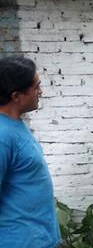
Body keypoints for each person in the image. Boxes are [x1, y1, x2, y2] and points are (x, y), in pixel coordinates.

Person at [0, 56, 61, 247]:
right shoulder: (3, 136)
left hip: (38, 237)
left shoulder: (16, 124)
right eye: (36, 87)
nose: (40, 91)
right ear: (16, 96)